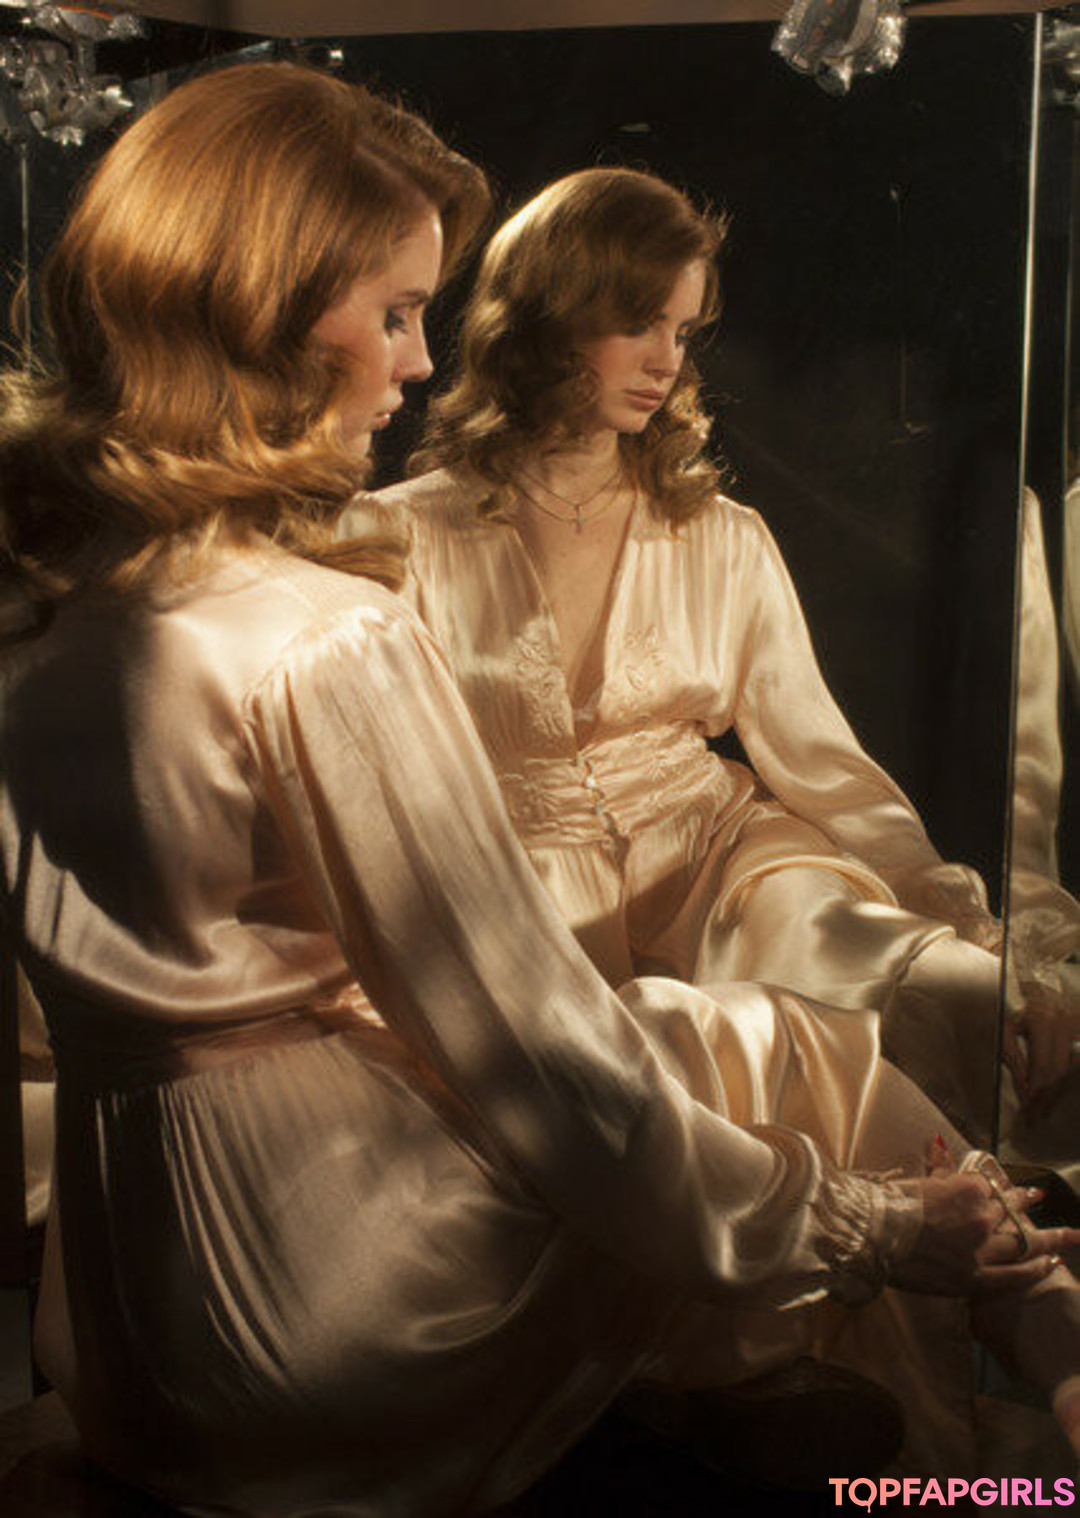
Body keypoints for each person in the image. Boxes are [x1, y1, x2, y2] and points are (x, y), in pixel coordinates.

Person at [0, 67, 1076, 1518]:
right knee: (747, 1047)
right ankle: (1028, 1371)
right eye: (394, 312)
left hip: (128, 1323)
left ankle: (914, 1354)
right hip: (320, 1318)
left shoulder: (44, 593)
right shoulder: (322, 632)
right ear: (260, 314)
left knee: (709, 1031)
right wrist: (867, 1225)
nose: (416, 363)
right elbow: (545, 1068)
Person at [369, 166, 1080, 1144]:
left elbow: (828, 771)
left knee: (936, 987)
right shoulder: (397, 538)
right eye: (639, 324)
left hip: (717, 862)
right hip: (509, 895)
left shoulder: (720, 535)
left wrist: (986, 946)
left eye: (683, 331)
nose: (666, 361)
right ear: (548, 317)